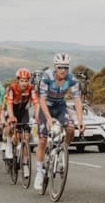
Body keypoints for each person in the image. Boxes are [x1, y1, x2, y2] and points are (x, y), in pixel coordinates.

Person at [34, 53, 85, 190]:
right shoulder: (47, 77)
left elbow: (77, 100)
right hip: (46, 107)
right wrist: (49, 119)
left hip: (60, 106)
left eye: (66, 67)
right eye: (61, 67)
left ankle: (63, 152)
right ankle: (39, 172)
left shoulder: (72, 79)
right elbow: (42, 100)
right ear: (55, 67)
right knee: (43, 140)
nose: (63, 70)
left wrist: (80, 120)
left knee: (70, 129)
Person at [3, 68, 39, 165]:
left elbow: (36, 103)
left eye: (26, 81)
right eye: (22, 81)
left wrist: (37, 116)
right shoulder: (12, 88)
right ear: (18, 80)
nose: (24, 83)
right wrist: (11, 117)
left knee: (26, 137)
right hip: (12, 110)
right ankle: (9, 144)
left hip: (23, 112)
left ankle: (24, 162)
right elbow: (9, 104)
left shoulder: (31, 88)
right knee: (10, 126)